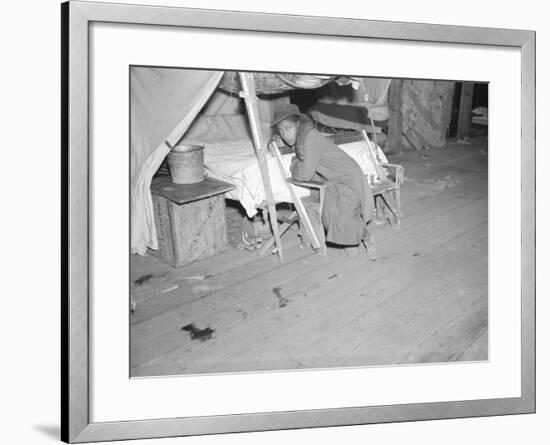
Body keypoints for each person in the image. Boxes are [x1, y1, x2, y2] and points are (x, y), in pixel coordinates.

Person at [272, 103, 376, 259]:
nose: (285, 134)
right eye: (281, 131)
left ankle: (366, 238)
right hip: (335, 180)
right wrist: (274, 140)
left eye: (288, 129)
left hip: (349, 178)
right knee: (331, 211)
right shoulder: (302, 137)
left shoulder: (310, 137)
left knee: (344, 212)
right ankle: (353, 241)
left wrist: (294, 162)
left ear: (298, 124)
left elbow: (305, 175)